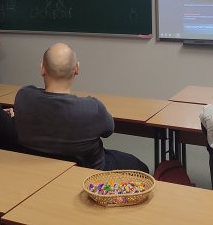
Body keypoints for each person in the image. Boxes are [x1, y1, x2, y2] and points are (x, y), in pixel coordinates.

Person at [13, 42, 149, 172]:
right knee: (140, 166)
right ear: (77, 69)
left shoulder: (23, 97)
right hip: (89, 173)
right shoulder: (92, 109)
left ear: (42, 68)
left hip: (40, 171)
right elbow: (109, 130)